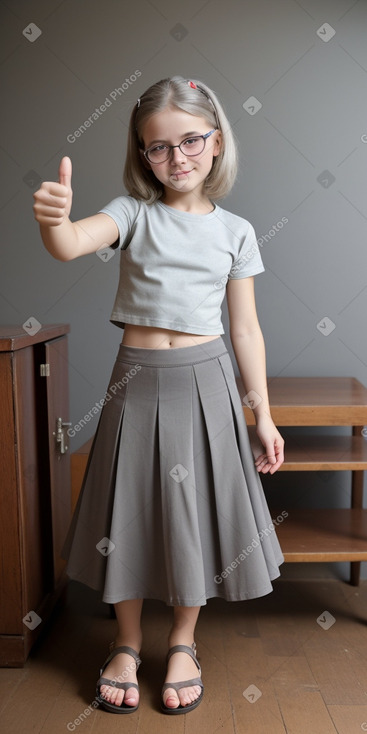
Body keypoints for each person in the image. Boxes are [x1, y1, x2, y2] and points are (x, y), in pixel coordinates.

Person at [33, 75, 285, 716]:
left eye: (191, 140)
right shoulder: (131, 212)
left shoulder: (236, 229)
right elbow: (68, 245)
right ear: (141, 153)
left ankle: (181, 642)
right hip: (134, 382)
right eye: (158, 147)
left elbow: (247, 329)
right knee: (129, 510)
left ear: (217, 140)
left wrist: (263, 414)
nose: (177, 158)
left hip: (207, 382)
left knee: (190, 514)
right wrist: (54, 222)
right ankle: (124, 642)